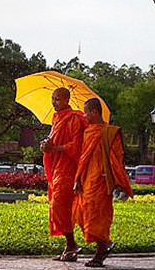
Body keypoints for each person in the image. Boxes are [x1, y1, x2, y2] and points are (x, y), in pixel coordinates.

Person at [73, 98, 133, 268]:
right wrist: (78, 179)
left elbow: (116, 158)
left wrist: (117, 181)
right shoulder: (88, 132)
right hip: (86, 179)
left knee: (98, 216)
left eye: (86, 112)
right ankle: (104, 245)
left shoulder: (109, 133)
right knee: (81, 213)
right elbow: (83, 158)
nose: (84, 116)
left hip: (101, 180)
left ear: (93, 112)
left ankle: (101, 250)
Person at [40, 87, 88, 262]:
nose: (54, 102)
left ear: (67, 100)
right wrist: (46, 145)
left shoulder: (74, 118)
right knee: (57, 206)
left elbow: (77, 145)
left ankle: (74, 243)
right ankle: (70, 245)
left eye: (58, 99)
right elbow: (55, 141)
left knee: (60, 204)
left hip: (70, 168)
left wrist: (55, 148)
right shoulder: (56, 119)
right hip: (58, 167)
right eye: (53, 98)